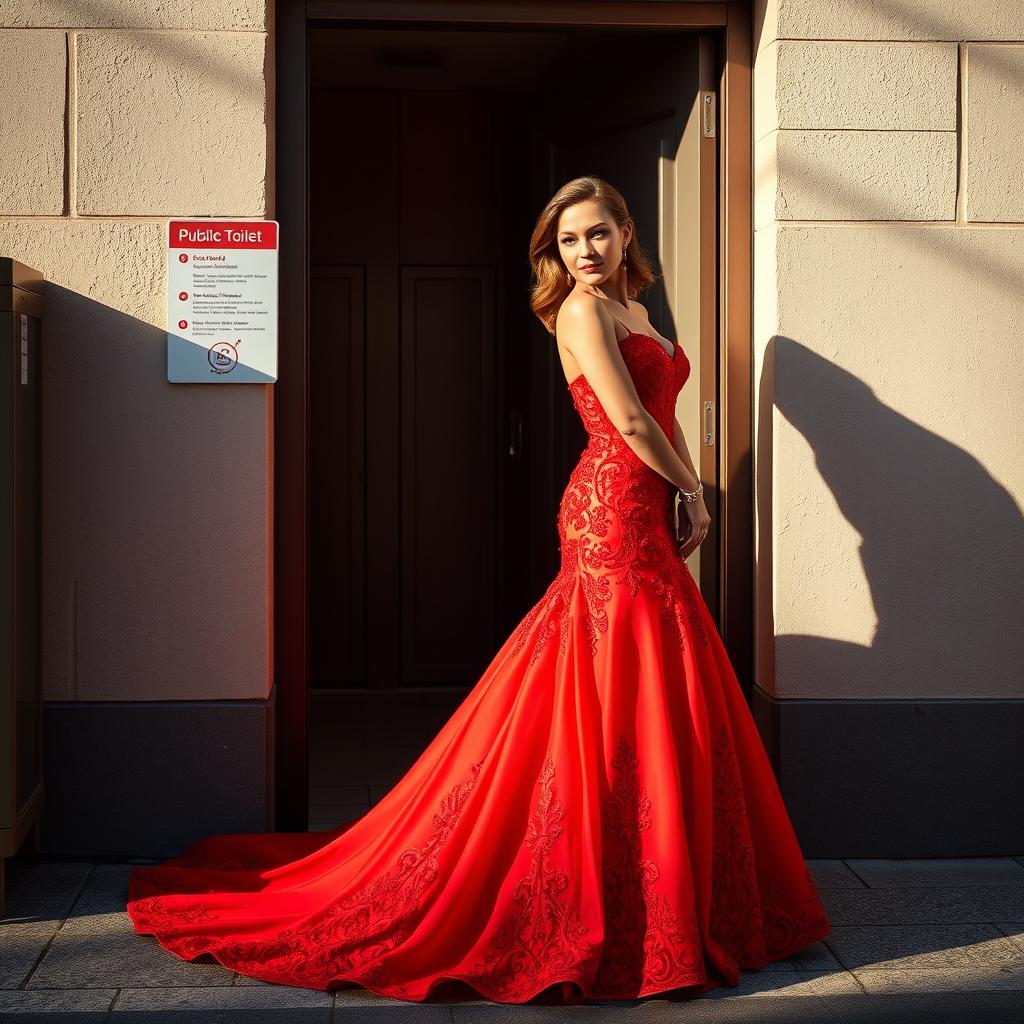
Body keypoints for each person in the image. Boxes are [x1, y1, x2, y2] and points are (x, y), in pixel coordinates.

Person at [126, 176, 832, 1004]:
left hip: (644, 507)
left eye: (598, 234)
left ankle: (657, 882)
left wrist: (677, 485)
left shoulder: (640, 313)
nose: (585, 253)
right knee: (603, 685)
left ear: (627, 232)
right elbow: (633, 423)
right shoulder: (580, 312)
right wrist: (698, 490)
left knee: (647, 687)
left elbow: (663, 412)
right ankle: (605, 881)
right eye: (569, 242)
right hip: (611, 507)